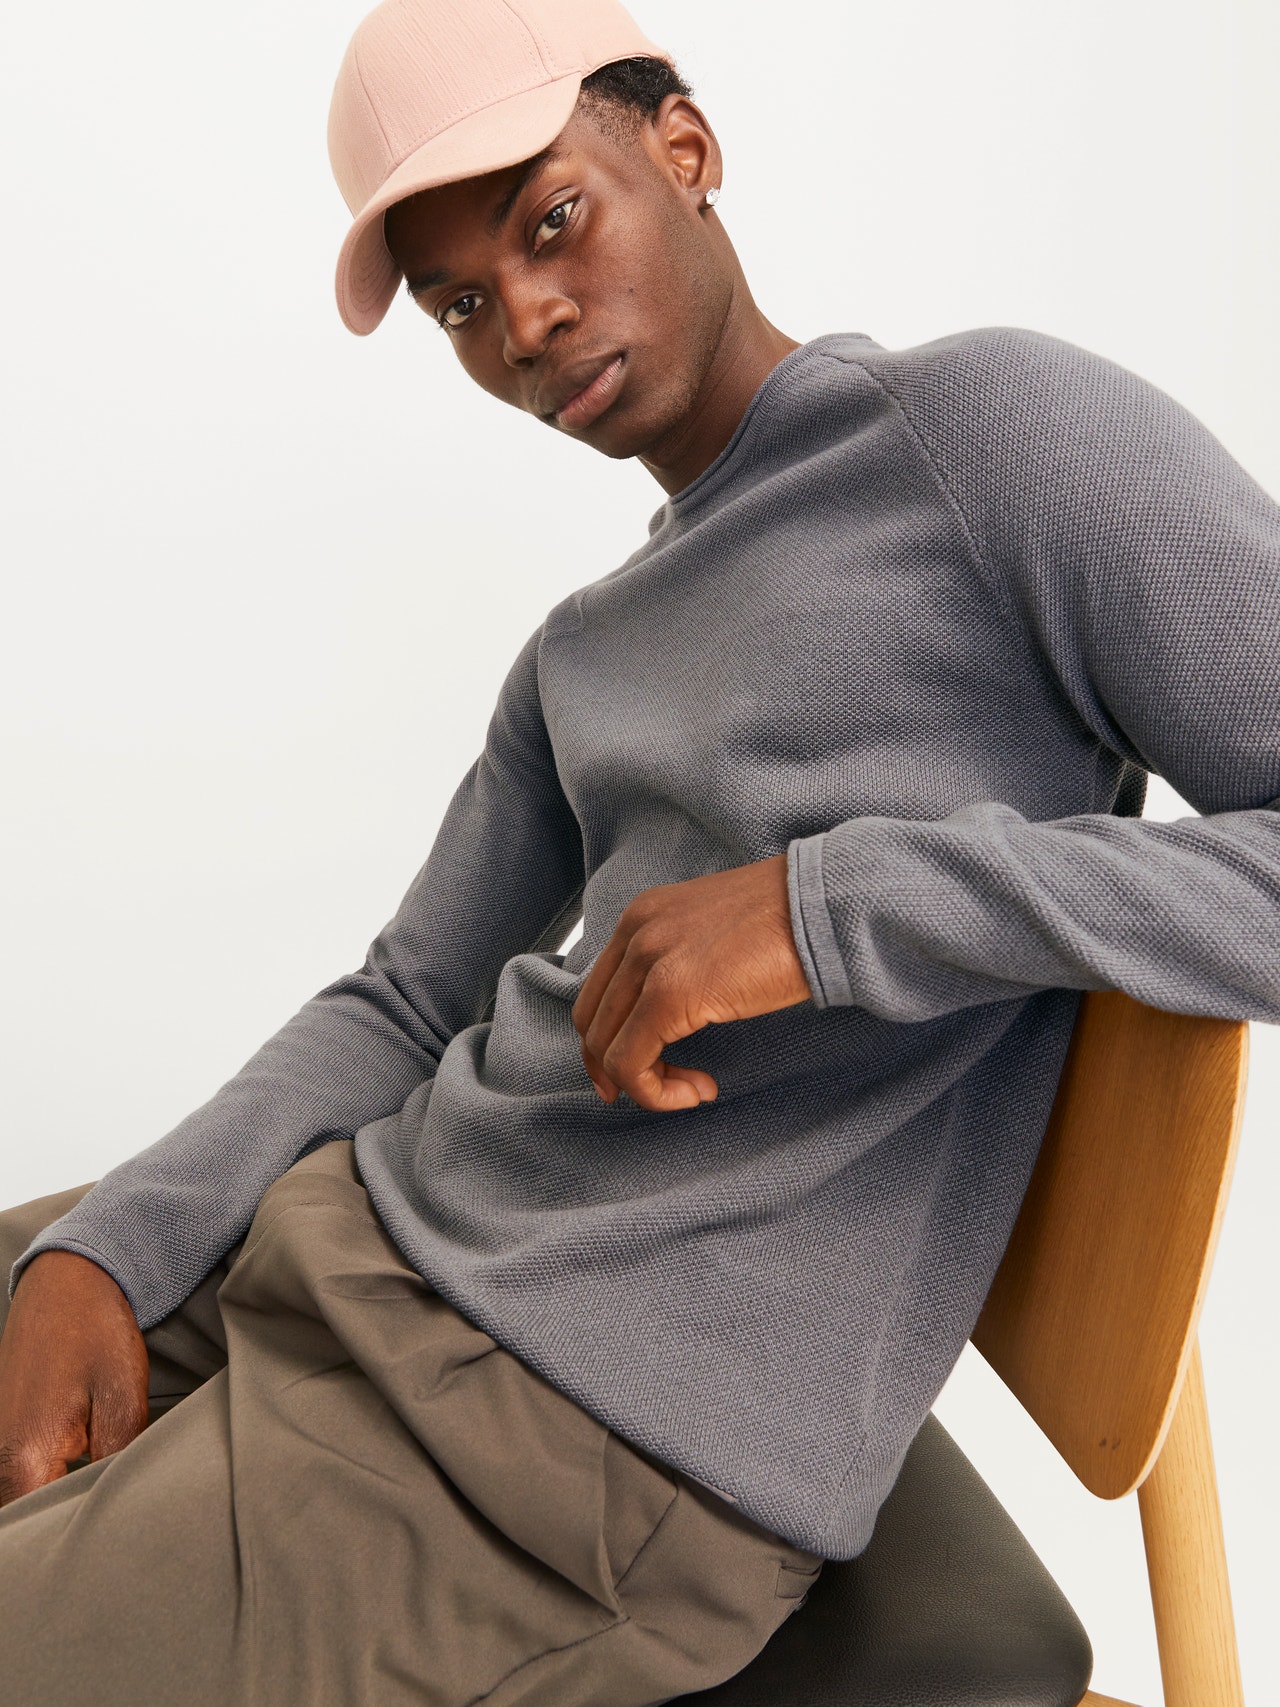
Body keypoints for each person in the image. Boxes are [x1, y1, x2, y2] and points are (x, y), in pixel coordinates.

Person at [2, 0, 1279, 1700]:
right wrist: (114, 1244)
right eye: (461, 304)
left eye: (550, 222)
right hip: (364, 1236)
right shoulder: (584, 647)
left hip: (569, 1440)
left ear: (684, 148)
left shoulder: (989, 439)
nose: (524, 321)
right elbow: (405, 1003)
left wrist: (830, 911)